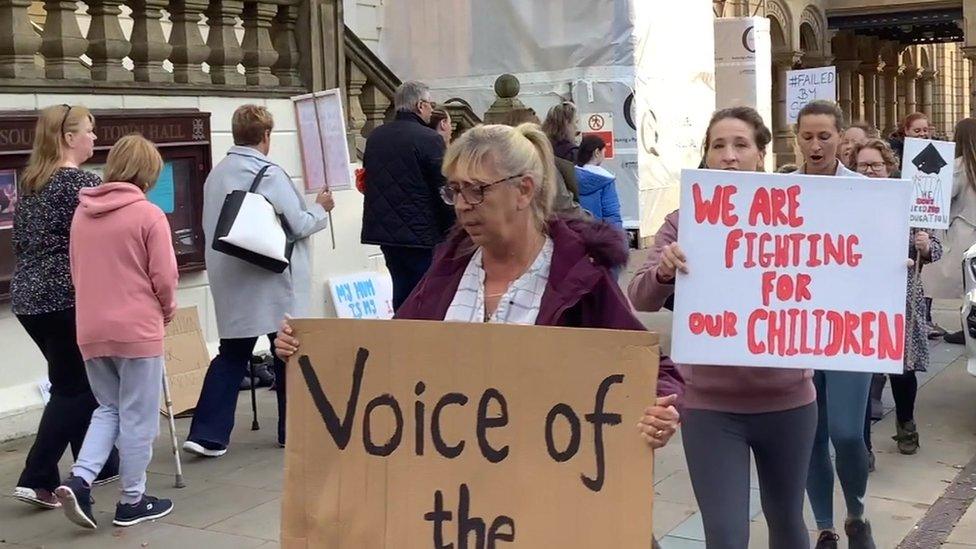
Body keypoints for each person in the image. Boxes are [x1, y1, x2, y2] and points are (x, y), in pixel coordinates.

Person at [274, 123, 684, 543]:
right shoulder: (447, 272)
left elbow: (653, 368)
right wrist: (310, 354)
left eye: (477, 191)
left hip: (546, 507)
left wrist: (660, 410)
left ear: (524, 191)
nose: (463, 206)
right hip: (461, 511)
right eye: (453, 191)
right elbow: (388, 361)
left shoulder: (578, 278)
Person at [629, 106, 817, 549]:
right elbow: (638, 297)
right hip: (711, 407)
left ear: (761, 154)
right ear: (706, 156)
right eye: (718, 145)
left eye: (740, 145)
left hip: (788, 402)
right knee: (726, 535)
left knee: (788, 521)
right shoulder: (682, 221)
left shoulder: (802, 213)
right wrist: (664, 273)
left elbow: (840, 270)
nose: (729, 156)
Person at [182, 105, 335, 458]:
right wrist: (321, 207)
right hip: (270, 276)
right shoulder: (269, 173)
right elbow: (298, 224)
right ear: (266, 136)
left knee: (232, 354)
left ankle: (208, 434)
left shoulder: (216, 174)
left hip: (230, 277)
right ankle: (291, 430)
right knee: (286, 352)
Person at [55, 134, 178, 529]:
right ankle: (132, 500)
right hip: (137, 327)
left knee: (107, 409)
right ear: (147, 173)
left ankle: (81, 478)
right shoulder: (148, 215)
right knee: (139, 418)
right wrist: (167, 310)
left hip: (91, 328)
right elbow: (164, 276)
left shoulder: (83, 213)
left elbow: (75, 271)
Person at [9, 104, 119, 509]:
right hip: (64, 298)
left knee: (72, 380)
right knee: (77, 386)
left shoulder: (32, 182)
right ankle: (37, 477)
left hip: (29, 299)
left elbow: (21, 242)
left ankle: (102, 464)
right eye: (89, 131)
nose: (94, 137)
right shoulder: (80, 184)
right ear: (68, 138)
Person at [795, 100, 876, 549]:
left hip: (850, 332)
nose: (816, 144)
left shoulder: (864, 191)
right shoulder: (781, 193)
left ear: (840, 138)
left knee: (846, 433)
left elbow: (878, 248)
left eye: (824, 135)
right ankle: (825, 525)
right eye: (807, 136)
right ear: (797, 138)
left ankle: (857, 513)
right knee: (810, 434)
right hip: (799, 331)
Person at [854, 139, 941, 464]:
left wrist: (924, 245)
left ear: (889, 167)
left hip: (901, 300)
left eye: (876, 164)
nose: (870, 171)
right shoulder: (846, 202)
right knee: (861, 373)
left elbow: (936, 248)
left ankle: (906, 424)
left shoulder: (909, 202)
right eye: (863, 165)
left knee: (902, 371)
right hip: (859, 299)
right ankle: (862, 446)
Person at [361, 81, 455, 311]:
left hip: (385, 231)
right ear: (421, 105)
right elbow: (443, 187)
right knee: (424, 293)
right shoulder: (428, 139)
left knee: (400, 289)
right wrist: (452, 226)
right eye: (430, 104)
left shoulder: (376, 136)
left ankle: (399, 335)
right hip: (421, 233)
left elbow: (369, 179)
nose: (431, 110)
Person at [923, 118, 976, 345]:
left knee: (963, 285)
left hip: (964, 230)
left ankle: (966, 328)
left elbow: (941, 196)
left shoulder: (959, 166)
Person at [503, 107, 583, 216]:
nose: (577, 128)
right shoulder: (544, 166)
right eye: (575, 122)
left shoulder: (496, 168)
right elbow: (566, 207)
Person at [575, 135, 622, 228]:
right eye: (604, 152)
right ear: (597, 152)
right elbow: (611, 215)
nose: (604, 156)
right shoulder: (606, 180)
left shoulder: (568, 176)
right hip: (596, 236)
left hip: (572, 235)